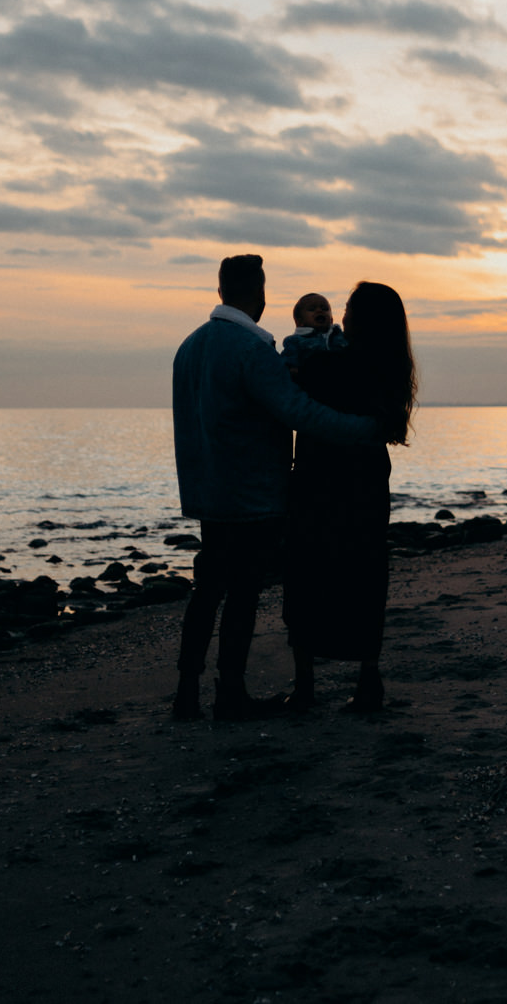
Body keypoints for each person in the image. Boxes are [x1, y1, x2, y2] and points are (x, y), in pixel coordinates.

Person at [171, 255, 382, 722]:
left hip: (207, 493)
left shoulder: (189, 347)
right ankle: (229, 693)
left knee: (206, 590)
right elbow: (299, 412)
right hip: (251, 494)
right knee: (242, 593)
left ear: (222, 290)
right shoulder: (253, 351)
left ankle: (186, 691)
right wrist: (365, 429)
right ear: (260, 295)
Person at [282, 281, 417, 714]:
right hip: (367, 480)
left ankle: (305, 686)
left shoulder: (329, 364)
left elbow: (292, 390)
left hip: (321, 478)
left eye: (347, 308)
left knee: (306, 575)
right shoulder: (390, 367)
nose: (340, 315)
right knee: (366, 574)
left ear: (361, 319)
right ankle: (367, 680)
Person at [280, 292, 347, 370]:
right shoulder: (294, 341)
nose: (319, 310)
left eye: (324, 309)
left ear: (331, 319)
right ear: (299, 321)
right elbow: (288, 365)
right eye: (312, 309)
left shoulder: (339, 335)